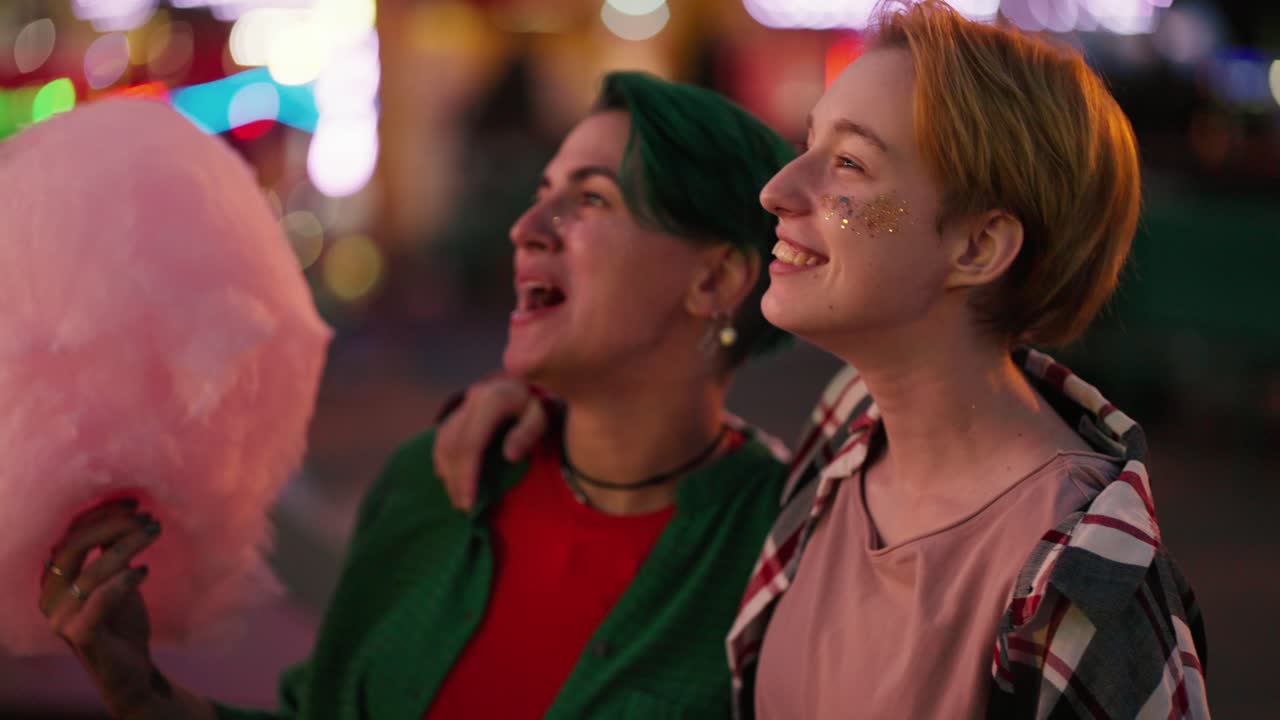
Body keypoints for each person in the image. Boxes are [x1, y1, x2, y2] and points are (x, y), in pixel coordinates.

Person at [433, 3, 1210, 718]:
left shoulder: (1081, 583)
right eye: (810, 144)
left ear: (976, 247)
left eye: (849, 165)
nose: (776, 189)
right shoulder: (845, 442)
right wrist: (555, 414)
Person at [37, 72, 797, 719]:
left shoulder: (790, 545)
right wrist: (141, 689)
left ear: (715, 280)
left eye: (592, 199)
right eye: (542, 193)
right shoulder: (434, 485)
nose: (527, 228)